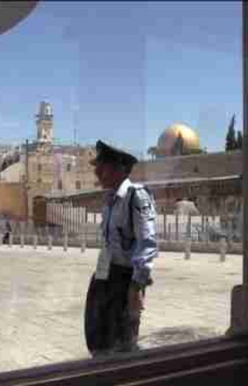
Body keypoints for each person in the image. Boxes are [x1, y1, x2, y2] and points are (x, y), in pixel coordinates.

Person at [84, 140, 158, 357]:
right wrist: (99, 279)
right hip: (105, 274)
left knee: (122, 344)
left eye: (102, 166)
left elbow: (147, 243)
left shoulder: (136, 196)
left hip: (125, 279)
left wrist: (136, 287)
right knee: (98, 339)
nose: (97, 171)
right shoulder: (110, 200)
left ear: (120, 168)